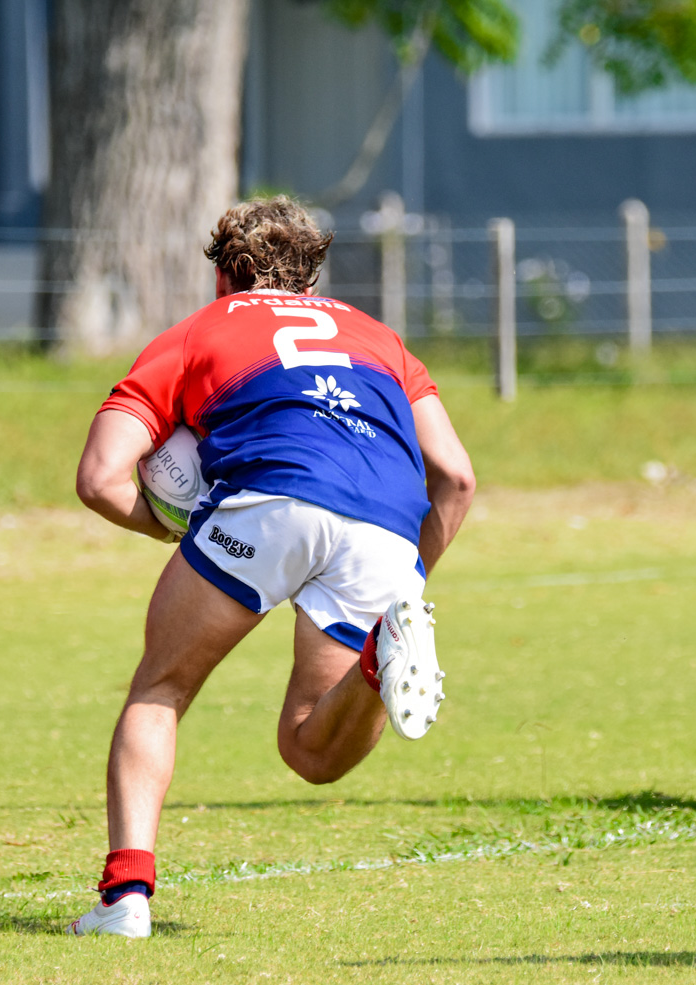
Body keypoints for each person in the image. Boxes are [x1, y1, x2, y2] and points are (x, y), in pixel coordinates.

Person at [69, 196, 476, 937]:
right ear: (311, 276)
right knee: (310, 751)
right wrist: (409, 577)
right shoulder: (379, 336)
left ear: (230, 274)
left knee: (161, 687)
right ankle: (383, 657)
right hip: (387, 523)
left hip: (268, 500)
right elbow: (456, 477)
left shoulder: (198, 330)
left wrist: (173, 530)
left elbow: (100, 476)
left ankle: (125, 899)